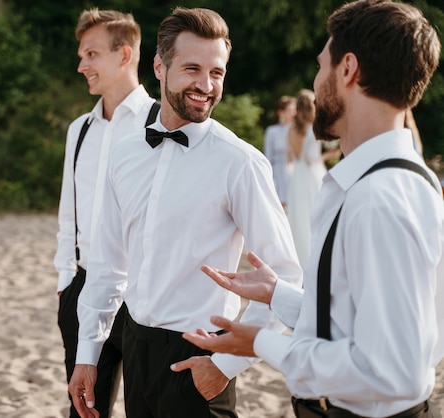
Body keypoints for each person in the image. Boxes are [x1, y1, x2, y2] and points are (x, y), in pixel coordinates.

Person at [183, 1, 444, 417]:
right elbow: (359, 317)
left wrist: (259, 342)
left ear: (348, 70)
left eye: (323, 65)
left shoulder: (380, 198)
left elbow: (395, 373)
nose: (317, 79)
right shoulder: (380, 180)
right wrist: (279, 296)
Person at [68, 7, 302, 418]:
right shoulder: (124, 156)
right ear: (159, 66)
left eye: (217, 72)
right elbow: (107, 264)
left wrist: (224, 367)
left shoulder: (240, 163)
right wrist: (88, 352)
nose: (206, 85)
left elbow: (285, 279)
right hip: (136, 346)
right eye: (192, 69)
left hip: (203, 357)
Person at [53, 8, 157, 418]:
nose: (82, 66)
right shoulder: (79, 129)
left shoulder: (161, 122)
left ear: (124, 55)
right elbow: (68, 211)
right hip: (82, 290)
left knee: (143, 409)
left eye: (91, 54)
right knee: (86, 411)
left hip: (142, 296)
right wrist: (66, 282)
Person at [285, 89, 338, 267]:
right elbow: (312, 158)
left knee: (299, 219)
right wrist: (326, 156)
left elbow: (289, 159)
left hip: (297, 177)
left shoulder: (290, 131)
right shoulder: (314, 129)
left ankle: (298, 259)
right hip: (313, 174)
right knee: (319, 216)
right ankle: (317, 258)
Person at [263, 95, 296, 209]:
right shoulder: (272, 131)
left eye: (294, 110)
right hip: (278, 173)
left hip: (294, 171)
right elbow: (268, 156)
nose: (293, 113)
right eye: (289, 110)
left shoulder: (298, 131)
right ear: (281, 112)